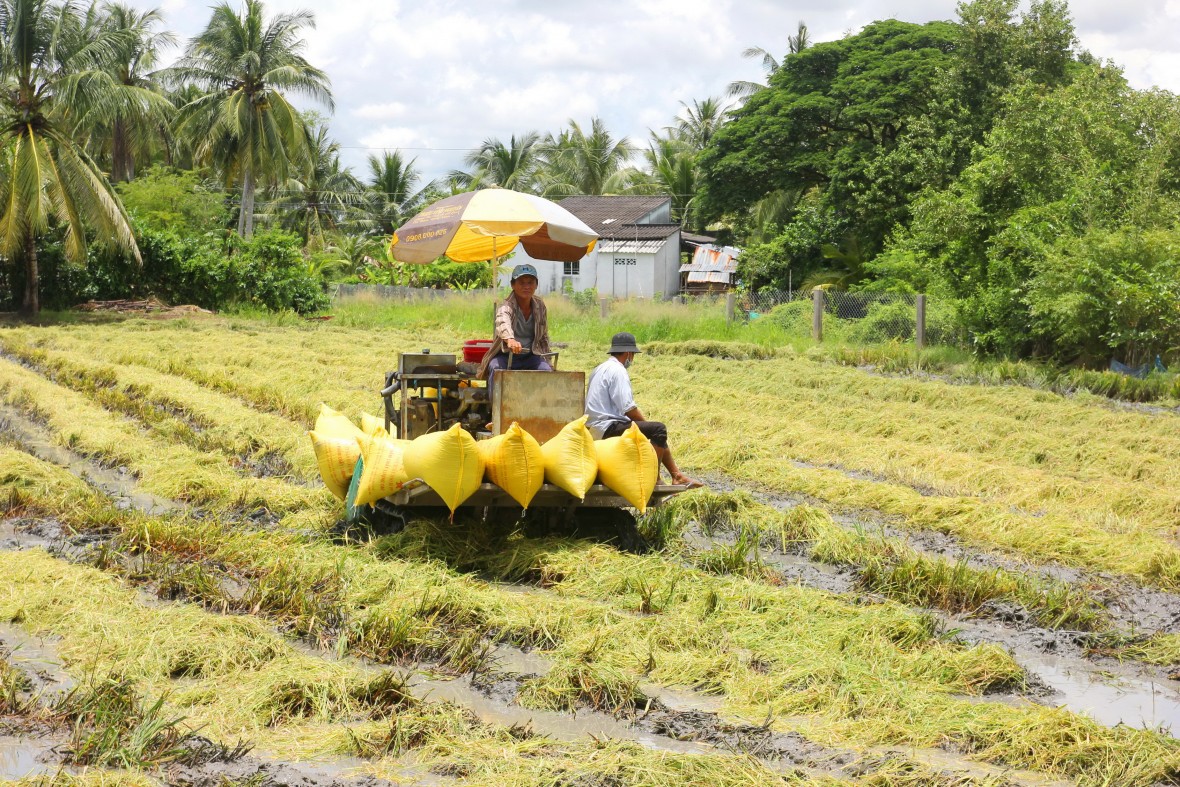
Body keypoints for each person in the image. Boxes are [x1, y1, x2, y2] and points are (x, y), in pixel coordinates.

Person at [585, 332, 703, 488]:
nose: (632, 359)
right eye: (633, 355)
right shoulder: (618, 370)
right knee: (658, 429)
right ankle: (654, 479)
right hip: (607, 427)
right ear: (628, 354)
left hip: (594, 427)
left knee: (655, 432)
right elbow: (629, 409)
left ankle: (677, 475)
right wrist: (646, 423)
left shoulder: (599, 369)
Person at [477, 263, 553, 384]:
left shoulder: (540, 305)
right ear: (513, 285)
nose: (526, 286)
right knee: (496, 369)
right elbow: (503, 321)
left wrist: (548, 360)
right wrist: (510, 340)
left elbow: (543, 335)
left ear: (536, 285)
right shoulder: (506, 306)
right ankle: (496, 402)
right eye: (521, 282)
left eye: (530, 282)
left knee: (546, 371)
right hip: (506, 356)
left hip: (531, 356)